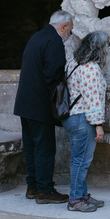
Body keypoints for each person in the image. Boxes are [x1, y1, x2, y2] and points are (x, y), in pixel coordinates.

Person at [13, 11, 73, 204]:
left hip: (25, 104)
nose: (68, 36)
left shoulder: (37, 37)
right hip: (40, 105)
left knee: (31, 147)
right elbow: (53, 75)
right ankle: (45, 190)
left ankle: (33, 186)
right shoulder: (54, 41)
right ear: (63, 27)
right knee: (44, 148)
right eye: (70, 31)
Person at [63, 31, 109, 212]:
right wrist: (98, 125)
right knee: (81, 161)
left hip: (72, 117)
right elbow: (93, 99)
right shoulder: (90, 69)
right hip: (83, 119)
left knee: (78, 159)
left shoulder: (74, 63)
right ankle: (75, 200)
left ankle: (82, 195)